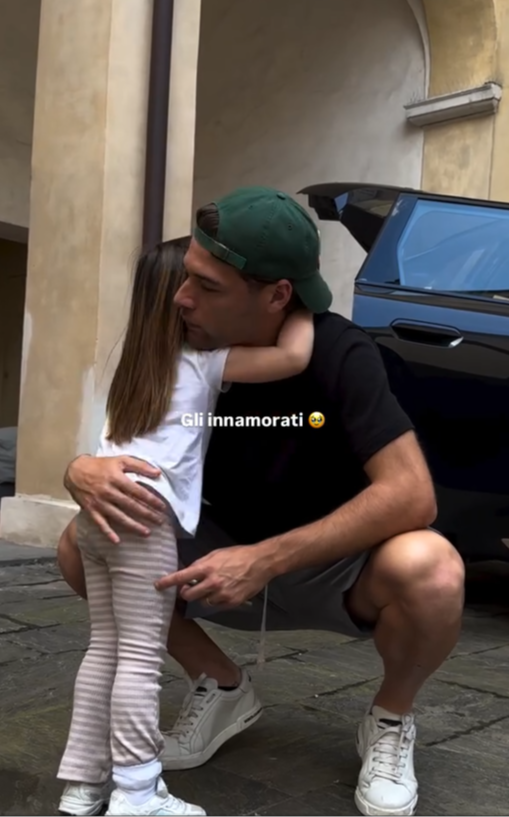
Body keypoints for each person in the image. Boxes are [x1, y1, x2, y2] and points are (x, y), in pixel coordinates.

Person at [58, 187, 465, 817]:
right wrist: (80, 471)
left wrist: (266, 558)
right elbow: (128, 438)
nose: (181, 297)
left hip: (331, 567)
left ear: (277, 296)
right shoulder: (183, 346)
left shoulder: (338, 351)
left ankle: (390, 717)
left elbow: (412, 494)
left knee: (433, 569)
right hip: (209, 551)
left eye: (206, 286)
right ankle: (221, 685)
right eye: (185, 277)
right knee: (80, 546)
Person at [57, 232, 314, 817]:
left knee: (104, 649)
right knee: (140, 658)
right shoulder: (202, 363)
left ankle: (83, 785)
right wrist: (301, 301)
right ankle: (137, 792)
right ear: (182, 300)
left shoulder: (132, 370)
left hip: (98, 518)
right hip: (144, 519)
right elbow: (293, 357)